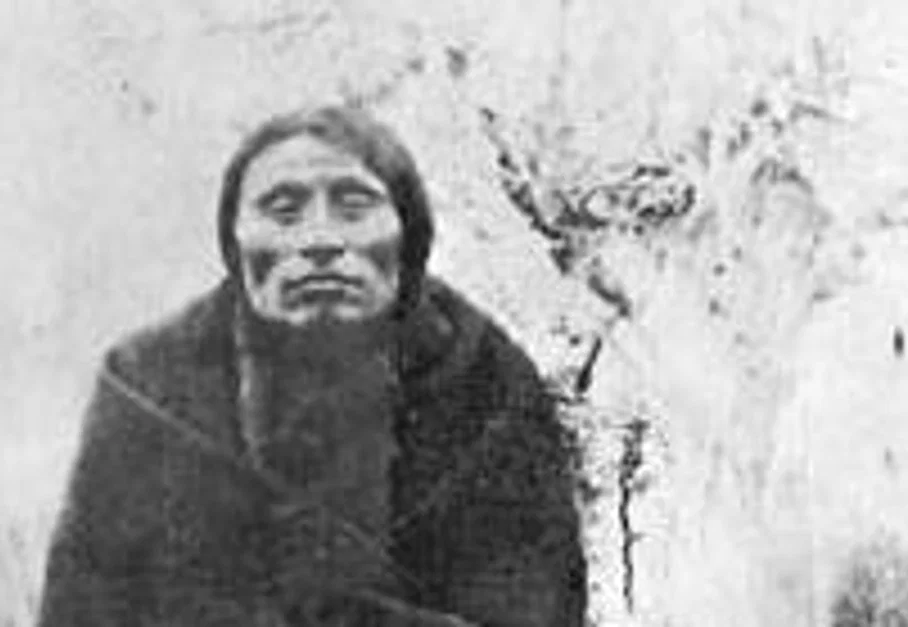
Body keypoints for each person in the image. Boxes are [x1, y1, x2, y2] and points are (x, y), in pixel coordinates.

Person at [35, 105, 587, 626]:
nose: (320, 239)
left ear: (409, 232)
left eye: (354, 206)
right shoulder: (152, 385)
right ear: (234, 239)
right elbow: (83, 610)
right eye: (283, 210)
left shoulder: (485, 380)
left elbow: (539, 610)